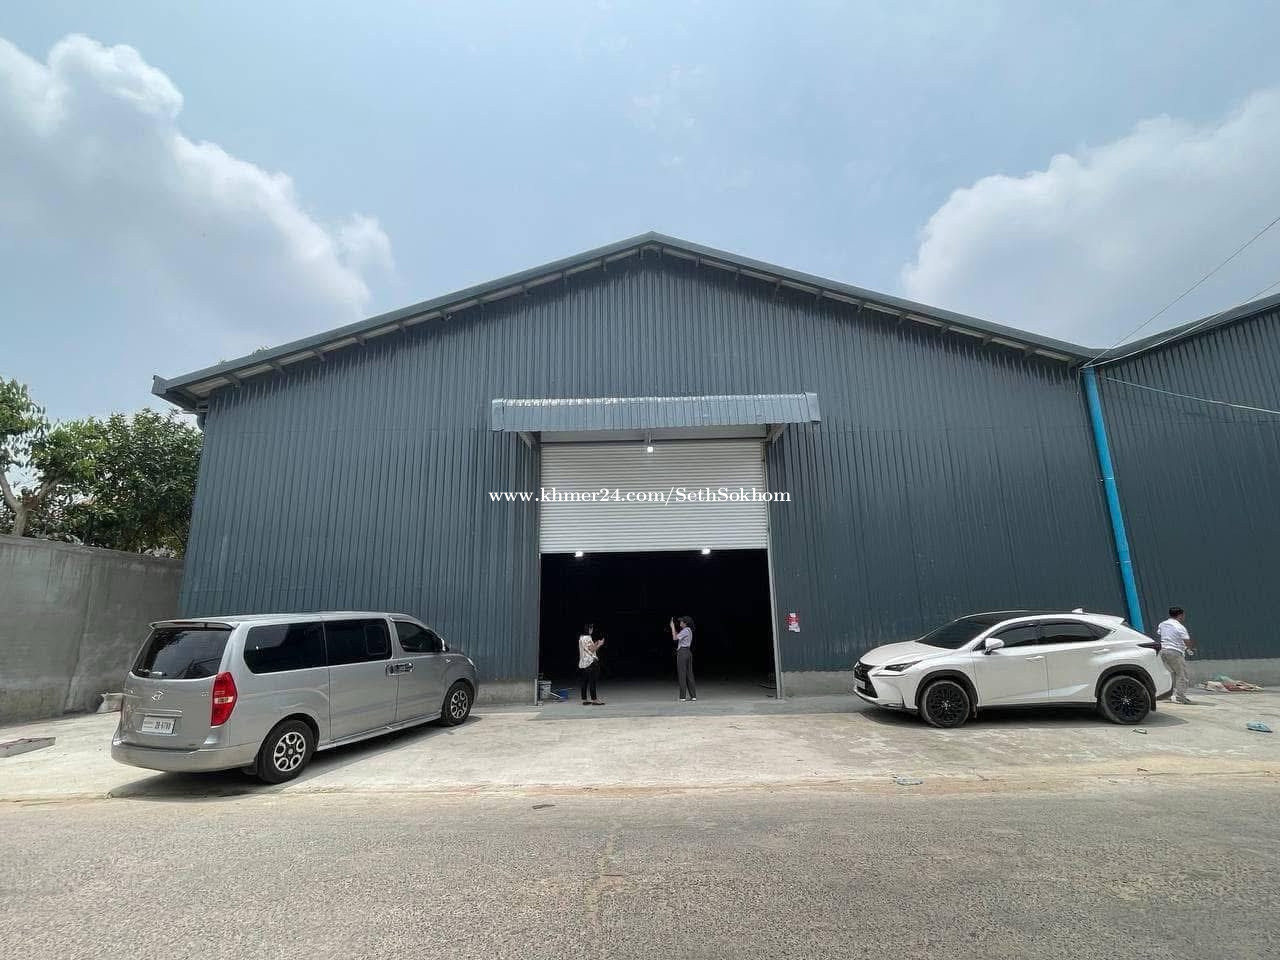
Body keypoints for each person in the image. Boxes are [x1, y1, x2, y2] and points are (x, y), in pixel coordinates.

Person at [1156, 606, 1196, 704]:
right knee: (1182, 675)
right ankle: (1180, 697)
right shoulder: (1180, 627)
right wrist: (1191, 648)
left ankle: (1166, 695)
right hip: (1174, 652)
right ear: (1180, 615)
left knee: (1170, 674)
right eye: (1183, 615)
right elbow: (1186, 640)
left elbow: (1160, 633)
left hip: (1163, 651)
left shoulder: (1162, 624)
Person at [670, 615, 696, 702]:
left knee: (682, 674)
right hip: (688, 652)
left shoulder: (685, 630)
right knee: (689, 674)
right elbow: (678, 636)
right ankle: (693, 696)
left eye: (681, 621)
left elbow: (675, 638)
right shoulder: (689, 630)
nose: (680, 622)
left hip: (682, 652)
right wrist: (674, 629)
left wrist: (672, 627)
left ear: (685, 623)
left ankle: (682, 697)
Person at [578, 624, 605, 705]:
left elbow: (586, 648)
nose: (592, 630)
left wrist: (595, 643)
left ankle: (584, 700)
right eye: (591, 628)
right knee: (592, 681)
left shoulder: (581, 638)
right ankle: (594, 700)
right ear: (589, 629)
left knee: (584, 682)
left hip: (583, 663)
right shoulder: (588, 638)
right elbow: (592, 649)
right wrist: (600, 644)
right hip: (590, 662)